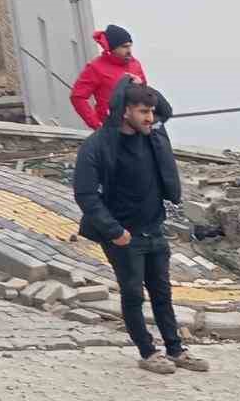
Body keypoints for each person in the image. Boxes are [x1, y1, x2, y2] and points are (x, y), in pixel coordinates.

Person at [73, 76, 209, 375]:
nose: (151, 118)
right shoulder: (98, 146)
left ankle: (175, 349)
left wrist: (136, 82)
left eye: (151, 111)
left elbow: (167, 110)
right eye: (144, 112)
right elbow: (85, 194)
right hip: (123, 235)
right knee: (133, 293)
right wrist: (114, 232)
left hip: (154, 228)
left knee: (162, 292)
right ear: (125, 112)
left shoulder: (153, 135)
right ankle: (147, 352)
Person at [70, 24, 147, 130]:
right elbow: (77, 97)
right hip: (112, 129)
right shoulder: (95, 67)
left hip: (137, 127)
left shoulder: (135, 64)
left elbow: (146, 93)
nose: (129, 50)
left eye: (130, 46)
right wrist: (97, 125)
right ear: (112, 48)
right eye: (124, 46)